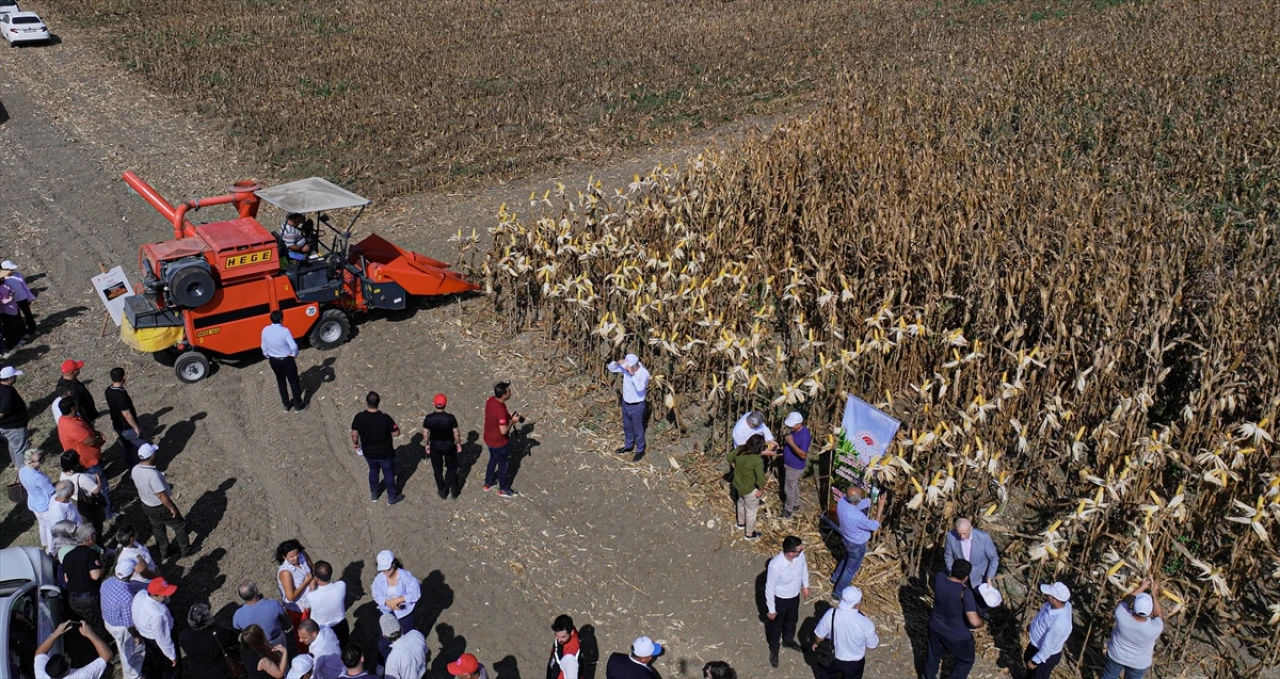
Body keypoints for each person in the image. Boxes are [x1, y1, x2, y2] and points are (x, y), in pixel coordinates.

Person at [922, 559, 984, 679]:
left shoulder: (940, 578)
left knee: (933, 656)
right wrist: (982, 622)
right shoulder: (965, 593)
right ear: (966, 577)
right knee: (965, 661)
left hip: (935, 627)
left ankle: (927, 676)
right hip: (957, 636)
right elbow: (974, 621)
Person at [58, 398, 116, 519]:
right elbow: (89, 441)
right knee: (101, 487)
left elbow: (84, 429)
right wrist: (100, 439)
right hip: (89, 462)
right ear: (72, 408)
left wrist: (94, 431)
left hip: (85, 460)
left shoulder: (64, 420)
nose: (78, 406)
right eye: (76, 405)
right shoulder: (72, 426)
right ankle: (108, 512)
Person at [131, 443, 191, 558]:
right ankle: (185, 550)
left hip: (146, 505)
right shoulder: (152, 475)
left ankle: (164, 551)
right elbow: (161, 495)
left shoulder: (135, 469)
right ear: (152, 456)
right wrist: (171, 508)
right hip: (159, 507)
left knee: (158, 528)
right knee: (180, 525)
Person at [811, 586, 879, 679]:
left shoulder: (831, 614)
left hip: (832, 657)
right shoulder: (866, 623)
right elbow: (872, 645)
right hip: (854, 663)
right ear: (857, 605)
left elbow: (819, 635)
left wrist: (816, 643)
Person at [830, 486, 885, 599]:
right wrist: (880, 507)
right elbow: (874, 526)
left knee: (847, 558)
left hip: (846, 539)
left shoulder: (842, 502)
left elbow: (856, 505)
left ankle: (834, 578)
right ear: (856, 500)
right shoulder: (858, 517)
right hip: (857, 545)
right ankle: (837, 593)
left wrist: (871, 501)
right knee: (850, 570)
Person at [1102, 579, 1165, 679]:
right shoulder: (1155, 628)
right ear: (1150, 611)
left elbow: (1126, 600)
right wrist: (1154, 594)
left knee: (1109, 676)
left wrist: (1142, 587)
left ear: (1134, 606)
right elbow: (1158, 615)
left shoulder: (1121, 615)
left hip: (1116, 656)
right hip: (1139, 663)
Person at [764, 535, 810, 667]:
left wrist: (805, 585)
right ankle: (774, 648)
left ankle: (788, 640)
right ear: (790, 553)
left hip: (794, 596)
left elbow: (804, 568)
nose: (802, 551)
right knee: (776, 626)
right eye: (799, 550)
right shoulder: (776, 566)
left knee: (792, 621)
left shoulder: (799, 556)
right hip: (780, 599)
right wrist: (771, 610)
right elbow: (769, 588)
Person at [351, 391, 403, 504]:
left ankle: (374, 495)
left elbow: (354, 434)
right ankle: (392, 497)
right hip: (386, 453)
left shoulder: (359, 417)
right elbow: (397, 433)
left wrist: (356, 443)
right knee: (388, 473)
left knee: (373, 471)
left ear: (366, 403)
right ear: (379, 402)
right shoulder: (385, 418)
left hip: (369, 453)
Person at [100, 557, 147, 679]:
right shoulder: (126, 598)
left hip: (108, 621)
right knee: (130, 652)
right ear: (131, 573)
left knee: (123, 648)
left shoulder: (107, 582)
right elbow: (129, 623)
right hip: (121, 628)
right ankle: (133, 676)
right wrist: (137, 636)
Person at [943, 518, 1000, 614]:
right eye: (959, 533)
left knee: (981, 599)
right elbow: (948, 556)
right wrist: (953, 572)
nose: (961, 537)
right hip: (962, 575)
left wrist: (989, 577)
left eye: (964, 533)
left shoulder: (983, 538)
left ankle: (982, 615)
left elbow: (994, 558)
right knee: (966, 599)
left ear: (970, 529)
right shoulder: (950, 536)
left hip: (980, 575)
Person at [372, 551, 420, 662]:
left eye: (388, 569)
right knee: (384, 639)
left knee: (406, 637)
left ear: (394, 564)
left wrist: (399, 600)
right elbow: (376, 594)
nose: (386, 572)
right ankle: (384, 661)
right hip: (387, 613)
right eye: (383, 570)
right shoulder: (380, 579)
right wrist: (387, 603)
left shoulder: (405, 576)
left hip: (405, 614)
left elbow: (415, 594)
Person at [62, 525, 106, 637]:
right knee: (98, 626)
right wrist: (103, 568)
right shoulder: (91, 554)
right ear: (90, 538)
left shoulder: (68, 556)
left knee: (85, 624)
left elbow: (66, 578)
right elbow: (95, 575)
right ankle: (103, 648)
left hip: (72, 598)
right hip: (88, 598)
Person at [133, 577, 180, 679]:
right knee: (171, 671)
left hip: (147, 637)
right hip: (158, 640)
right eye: (164, 594)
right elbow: (163, 639)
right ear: (154, 595)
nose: (167, 596)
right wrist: (172, 656)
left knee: (155, 665)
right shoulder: (158, 615)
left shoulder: (140, 595)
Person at [1024, 582, 1073, 679]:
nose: (1046, 596)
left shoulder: (1059, 625)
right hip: (1036, 646)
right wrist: (1033, 625)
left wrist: (1035, 661)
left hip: (1044, 655)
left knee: (1038, 675)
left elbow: (1047, 647)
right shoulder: (1064, 604)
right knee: (1028, 662)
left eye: (1049, 595)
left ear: (1057, 601)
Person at [179, 602, 241, 679]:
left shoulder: (184, 635)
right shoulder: (216, 634)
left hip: (198, 672)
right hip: (219, 672)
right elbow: (233, 637)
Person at [483, 381, 523, 498]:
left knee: (493, 459)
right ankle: (503, 489)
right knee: (503, 465)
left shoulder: (491, 400)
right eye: (509, 391)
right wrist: (512, 422)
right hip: (499, 443)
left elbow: (496, 416)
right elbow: (504, 431)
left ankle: (488, 483)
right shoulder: (500, 411)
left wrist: (509, 417)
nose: (511, 392)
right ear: (504, 395)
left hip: (489, 438)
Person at [34, 620, 114, 679]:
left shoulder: (42, 674)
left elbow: (40, 653)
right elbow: (107, 655)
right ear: (67, 671)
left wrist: (57, 632)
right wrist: (90, 634)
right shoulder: (81, 676)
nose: (66, 654)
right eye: (66, 658)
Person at [606, 353, 650, 457]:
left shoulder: (644, 373)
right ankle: (628, 445)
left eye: (628, 367)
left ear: (635, 366)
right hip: (625, 403)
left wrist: (631, 374)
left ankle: (640, 450)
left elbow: (640, 388)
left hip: (637, 406)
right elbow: (611, 368)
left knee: (637, 428)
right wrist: (617, 362)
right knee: (627, 426)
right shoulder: (626, 368)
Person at [262, 310, 305, 412]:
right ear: (281, 319)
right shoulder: (285, 331)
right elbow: (293, 346)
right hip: (286, 360)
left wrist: (268, 355)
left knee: (281, 382)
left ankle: (286, 404)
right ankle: (298, 405)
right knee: (293, 382)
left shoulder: (265, 330)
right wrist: (294, 354)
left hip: (274, 360)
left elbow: (264, 347)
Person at [422, 393, 462, 499]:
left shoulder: (429, 418)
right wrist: (458, 443)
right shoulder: (450, 418)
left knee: (437, 470)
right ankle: (454, 490)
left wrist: (427, 445)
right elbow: (456, 433)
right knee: (452, 468)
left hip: (435, 446)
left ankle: (442, 491)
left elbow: (425, 434)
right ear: (446, 404)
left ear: (433, 403)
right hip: (449, 446)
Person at [276, 539, 315, 650]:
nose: (296, 558)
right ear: (284, 557)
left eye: (297, 554)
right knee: (302, 635)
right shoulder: (285, 572)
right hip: (298, 609)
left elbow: (312, 569)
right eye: (291, 556)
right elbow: (291, 596)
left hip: (310, 602)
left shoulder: (303, 556)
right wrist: (306, 582)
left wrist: (313, 586)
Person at [105, 366, 147, 468]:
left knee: (127, 447)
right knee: (145, 447)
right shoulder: (121, 395)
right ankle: (147, 467)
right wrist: (136, 427)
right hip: (127, 427)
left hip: (117, 425)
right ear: (124, 377)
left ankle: (131, 466)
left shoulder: (108, 390)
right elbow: (126, 414)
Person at [728, 434, 766, 540]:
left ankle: (740, 523)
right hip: (750, 489)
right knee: (751, 512)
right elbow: (760, 479)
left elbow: (729, 457)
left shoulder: (739, 449)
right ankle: (749, 533)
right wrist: (761, 490)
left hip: (738, 485)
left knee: (740, 502)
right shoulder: (757, 460)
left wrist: (735, 467)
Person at [233, 580, 292, 649]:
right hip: (277, 639)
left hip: (258, 645)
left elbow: (237, 628)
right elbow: (284, 617)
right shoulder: (273, 604)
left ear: (241, 597)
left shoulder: (238, 615)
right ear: (256, 590)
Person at [59, 451, 104, 537]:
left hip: (74, 502)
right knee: (95, 527)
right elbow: (96, 490)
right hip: (87, 504)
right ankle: (99, 545)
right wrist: (98, 480)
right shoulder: (81, 477)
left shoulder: (62, 475)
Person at [19, 449, 56, 551]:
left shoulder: (22, 470)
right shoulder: (37, 477)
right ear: (30, 462)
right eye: (39, 459)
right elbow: (51, 490)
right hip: (45, 505)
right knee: (50, 528)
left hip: (34, 503)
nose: (42, 461)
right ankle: (50, 548)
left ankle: (44, 543)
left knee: (42, 525)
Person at [308, 560, 350, 647]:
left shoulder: (312, 597)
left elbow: (309, 607)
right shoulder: (341, 585)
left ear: (316, 579)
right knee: (344, 646)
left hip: (323, 629)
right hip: (341, 625)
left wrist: (312, 588)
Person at [779, 412, 810, 518]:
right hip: (789, 464)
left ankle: (788, 510)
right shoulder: (794, 431)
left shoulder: (804, 436)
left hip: (794, 466)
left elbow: (803, 455)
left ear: (799, 424)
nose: (790, 426)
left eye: (792, 425)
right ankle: (795, 504)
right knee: (793, 485)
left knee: (788, 488)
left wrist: (791, 443)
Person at [381, 613, 428, 679]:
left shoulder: (392, 660)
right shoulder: (416, 634)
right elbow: (425, 651)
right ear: (400, 626)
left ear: (384, 635)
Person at [0, 364, 29, 471]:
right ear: (11, 378)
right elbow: (2, 412)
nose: (16, 378)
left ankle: (16, 464)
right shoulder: (7, 392)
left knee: (13, 445)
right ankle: (23, 469)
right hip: (14, 427)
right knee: (20, 449)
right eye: (15, 376)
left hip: (6, 427)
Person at [0, 261, 37, 335]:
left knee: (28, 314)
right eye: (11, 270)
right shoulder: (3, 279)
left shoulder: (17, 275)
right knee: (18, 317)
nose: (13, 271)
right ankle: (23, 332)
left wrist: (29, 297)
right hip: (13, 301)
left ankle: (32, 329)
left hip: (22, 298)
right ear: (5, 270)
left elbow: (24, 287)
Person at [547, 614, 581, 679]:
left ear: (571, 632)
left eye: (563, 637)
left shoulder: (570, 658)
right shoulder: (569, 630)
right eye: (556, 635)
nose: (559, 640)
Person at [0, 279, 24, 354]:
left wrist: (11, 293)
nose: (3, 278)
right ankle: (12, 343)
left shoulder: (4, 285)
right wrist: (9, 299)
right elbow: (1, 301)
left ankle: (17, 340)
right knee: (9, 328)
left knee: (14, 325)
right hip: (6, 311)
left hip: (12, 308)